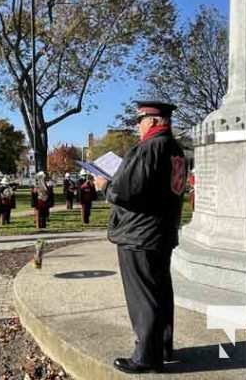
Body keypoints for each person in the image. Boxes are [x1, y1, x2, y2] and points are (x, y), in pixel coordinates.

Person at [98, 101, 186, 374]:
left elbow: (125, 191)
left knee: (143, 296)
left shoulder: (149, 148)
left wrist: (104, 185)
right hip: (161, 232)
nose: (138, 125)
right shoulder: (175, 149)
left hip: (140, 234)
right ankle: (160, 347)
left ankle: (146, 357)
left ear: (154, 121)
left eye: (140, 120)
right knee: (159, 291)